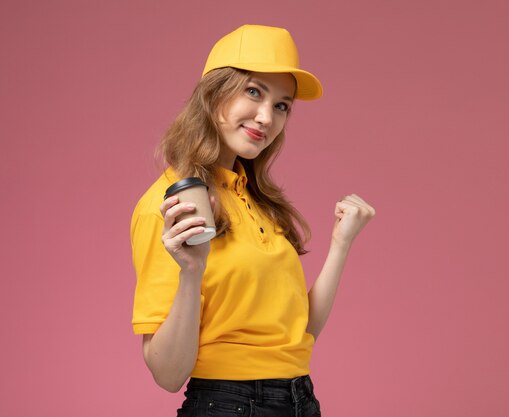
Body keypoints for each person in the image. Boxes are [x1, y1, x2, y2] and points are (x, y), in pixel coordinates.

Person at [130, 24, 375, 417]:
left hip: (300, 399)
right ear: (213, 95)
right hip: (229, 405)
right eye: (253, 92)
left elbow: (300, 334)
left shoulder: (256, 200)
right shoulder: (170, 205)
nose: (266, 117)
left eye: (282, 105)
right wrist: (191, 273)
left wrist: (341, 245)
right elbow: (167, 374)